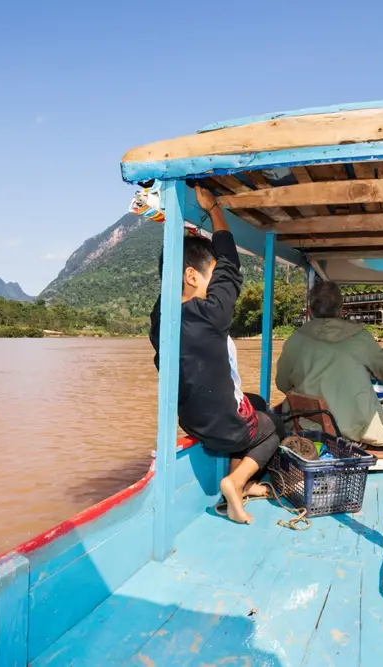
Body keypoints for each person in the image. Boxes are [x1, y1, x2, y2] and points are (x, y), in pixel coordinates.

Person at [149, 186, 283, 525]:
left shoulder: (159, 320)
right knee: (270, 426)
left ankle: (244, 482)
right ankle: (237, 483)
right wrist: (214, 210)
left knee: (256, 401)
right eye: (209, 275)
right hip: (225, 426)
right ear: (192, 276)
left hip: (192, 419)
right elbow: (231, 264)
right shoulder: (211, 313)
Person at [275, 280, 383, 448]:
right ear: (341, 309)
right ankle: (370, 446)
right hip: (359, 432)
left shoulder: (295, 340)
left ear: (310, 311)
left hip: (310, 429)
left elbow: (282, 383)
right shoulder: (360, 337)